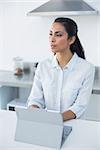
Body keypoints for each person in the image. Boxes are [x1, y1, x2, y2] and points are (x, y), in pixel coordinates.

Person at [28, 17, 95, 121]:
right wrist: (35, 113)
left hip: (73, 126)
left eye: (58, 35)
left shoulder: (87, 69)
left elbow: (79, 107)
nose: (52, 39)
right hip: (47, 125)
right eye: (50, 34)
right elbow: (35, 100)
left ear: (71, 39)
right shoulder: (43, 66)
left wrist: (54, 119)